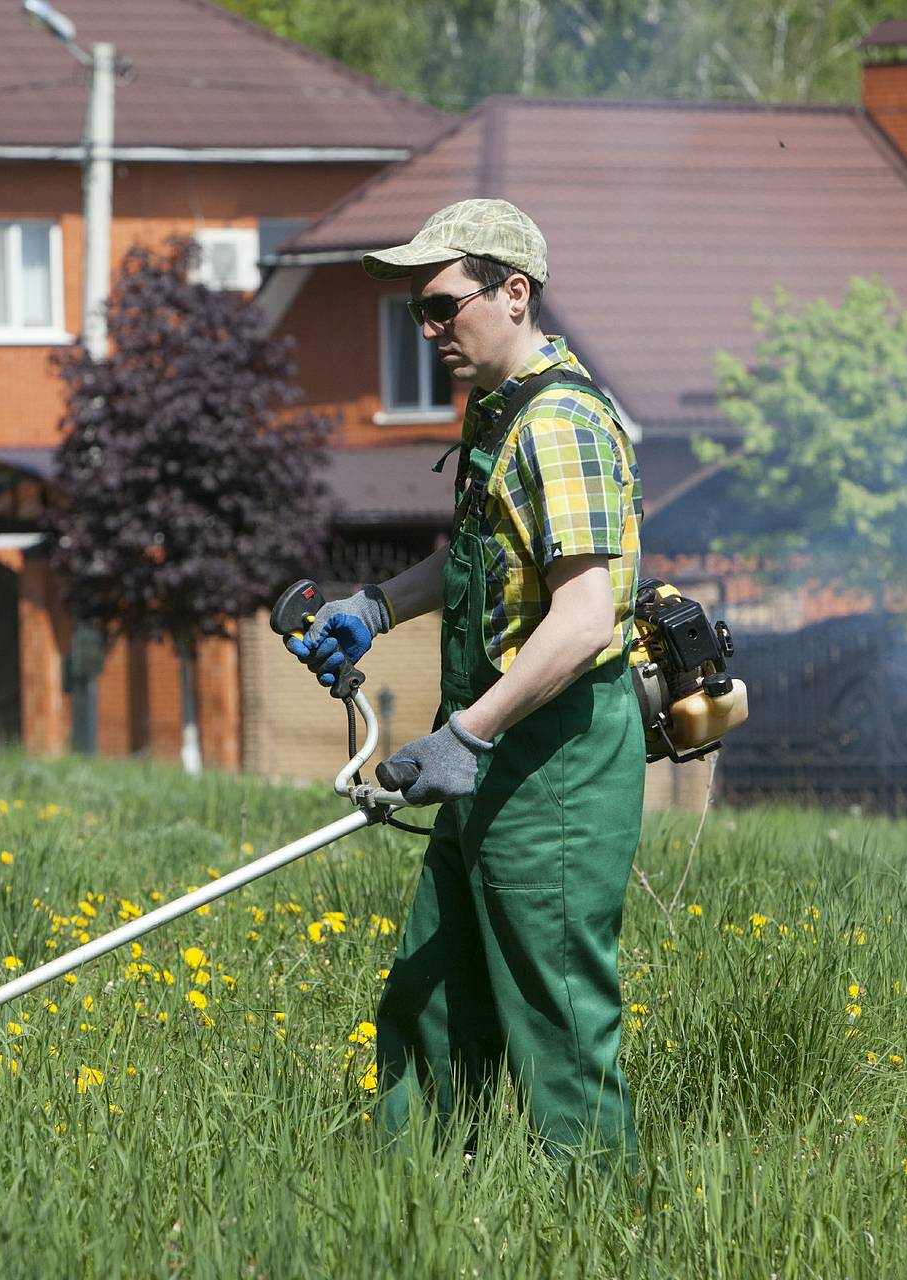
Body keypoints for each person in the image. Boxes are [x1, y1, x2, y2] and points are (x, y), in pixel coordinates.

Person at [288, 198, 646, 1165]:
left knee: (558, 1022)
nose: (429, 329)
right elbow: (478, 559)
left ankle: (600, 1221)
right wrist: (375, 607)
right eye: (420, 312)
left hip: (553, 761)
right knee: (432, 999)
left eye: (444, 305)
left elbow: (583, 620)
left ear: (514, 292)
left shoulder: (561, 424)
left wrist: (468, 734)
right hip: (489, 751)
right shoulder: (500, 412)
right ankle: (416, 1205)